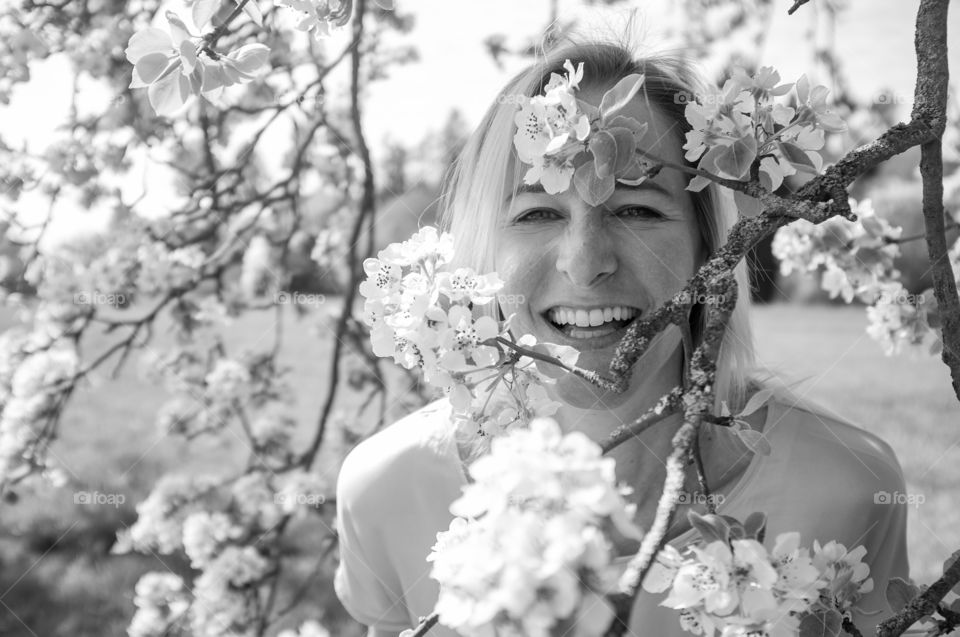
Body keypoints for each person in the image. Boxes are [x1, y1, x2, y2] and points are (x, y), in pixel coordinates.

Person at [333, 39, 910, 637]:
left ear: (709, 249)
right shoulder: (390, 489)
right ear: (479, 252)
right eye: (536, 213)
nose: (586, 264)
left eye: (636, 209)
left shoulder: (847, 488)